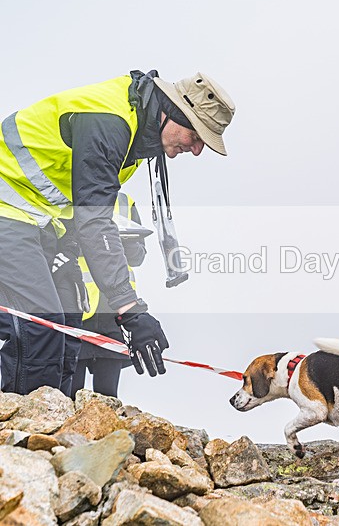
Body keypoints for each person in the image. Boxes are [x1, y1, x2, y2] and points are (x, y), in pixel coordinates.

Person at [0, 70, 235, 395]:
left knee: (67, 325)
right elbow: (95, 218)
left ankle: (58, 429)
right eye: (197, 136)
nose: (196, 150)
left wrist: (66, 245)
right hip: (7, 209)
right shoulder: (109, 121)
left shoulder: (138, 135)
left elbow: (74, 196)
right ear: (174, 113)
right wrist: (129, 309)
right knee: (42, 322)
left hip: (40, 221)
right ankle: (23, 432)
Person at [70, 191, 146, 399]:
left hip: (113, 314)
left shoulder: (126, 202)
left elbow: (139, 256)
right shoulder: (73, 196)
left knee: (108, 397)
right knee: (70, 394)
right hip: (79, 309)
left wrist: (125, 243)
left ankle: (108, 431)